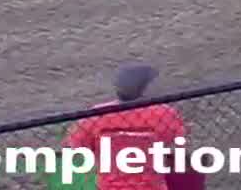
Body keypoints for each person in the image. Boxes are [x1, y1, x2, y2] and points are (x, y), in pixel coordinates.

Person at [63, 63, 199, 190]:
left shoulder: (97, 115)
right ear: (144, 89)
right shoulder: (163, 113)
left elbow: (74, 146)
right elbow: (177, 142)